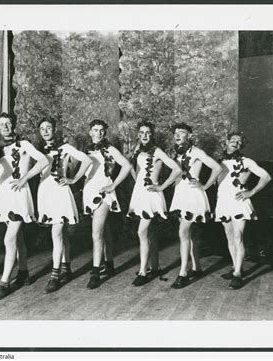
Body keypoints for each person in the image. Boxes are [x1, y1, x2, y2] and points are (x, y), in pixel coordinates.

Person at [0, 112, 49, 300]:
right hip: (4, 196)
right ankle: (23, 273)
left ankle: (4, 282)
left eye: (9, 123)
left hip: (19, 195)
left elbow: (43, 160)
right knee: (18, 238)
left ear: (13, 126)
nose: (6, 127)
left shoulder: (24, 144)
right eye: (2, 124)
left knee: (9, 239)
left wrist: (24, 178)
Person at [36, 117, 92, 293]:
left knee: (57, 232)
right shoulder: (39, 151)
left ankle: (54, 275)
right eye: (42, 128)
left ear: (55, 130)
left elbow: (87, 160)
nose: (45, 131)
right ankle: (67, 268)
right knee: (62, 234)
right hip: (45, 193)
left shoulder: (65, 148)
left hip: (60, 192)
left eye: (49, 127)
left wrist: (73, 179)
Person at [127, 120, 182, 286]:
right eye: (141, 133)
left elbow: (177, 169)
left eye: (148, 133)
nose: (144, 136)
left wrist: (161, 187)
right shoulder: (137, 150)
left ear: (152, 135)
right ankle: (155, 266)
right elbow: (135, 171)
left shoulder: (157, 151)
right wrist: (137, 180)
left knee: (141, 232)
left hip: (151, 195)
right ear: (138, 135)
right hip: (140, 194)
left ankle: (143, 272)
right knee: (149, 232)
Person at [215, 131, 271, 289]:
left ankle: (238, 275)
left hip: (238, 202)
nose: (235, 143)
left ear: (242, 146)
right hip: (223, 202)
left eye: (239, 142)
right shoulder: (220, 162)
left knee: (238, 236)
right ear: (226, 142)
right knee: (229, 236)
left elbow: (266, 176)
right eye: (233, 140)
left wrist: (251, 192)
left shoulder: (246, 161)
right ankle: (235, 267)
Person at [169, 122, 222, 289]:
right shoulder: (176, 152)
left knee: (183, 231)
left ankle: (183, 273)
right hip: (180, 194)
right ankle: (197, 268)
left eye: (182, 132)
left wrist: (205, 186)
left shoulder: (197, 152)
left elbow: (217, 167)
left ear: (189, 136)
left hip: (192, 195)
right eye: (176, 132)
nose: (177, 135)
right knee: (190, 234)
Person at [83, 119, 132, 289]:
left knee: (96, 232)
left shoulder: (110, 149)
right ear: (90, 132)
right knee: (104, 230)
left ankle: (95, 272)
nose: (99, 133)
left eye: (102, 130)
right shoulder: (87, 150)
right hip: (89, 194)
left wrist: (114, 185)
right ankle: (109, 264)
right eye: (95, 130)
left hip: (104, 194)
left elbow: (127, 165)